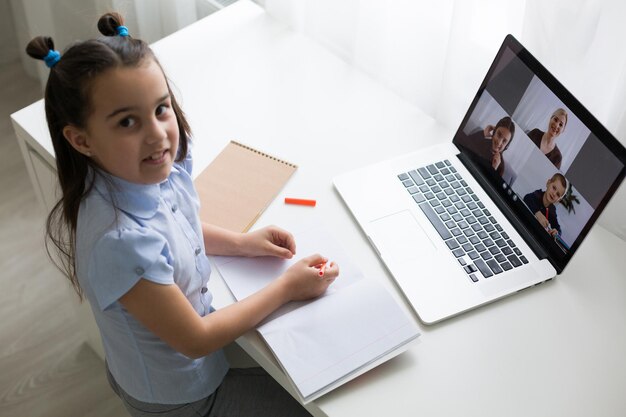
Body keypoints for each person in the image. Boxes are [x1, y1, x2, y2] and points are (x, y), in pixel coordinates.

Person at [27, 13, 338, 417]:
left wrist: (243, 243)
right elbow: (196, 339)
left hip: (173, 364)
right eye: (127, 121)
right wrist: (288, 288)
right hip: (182, 398)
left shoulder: (146, 171)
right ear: (81, 140)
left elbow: (176, 225)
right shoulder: (120, 240)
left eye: (161, 109)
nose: (157, 134)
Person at [522, 173, 567, 237]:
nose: (554, 194)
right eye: (554, 188)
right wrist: (538, 213)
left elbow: (558, 229)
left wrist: (556, 233)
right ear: (548, 183)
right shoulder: (537, 195)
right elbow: (527, 198)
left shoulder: (552, 211)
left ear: (558, 200)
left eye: (558, 194)